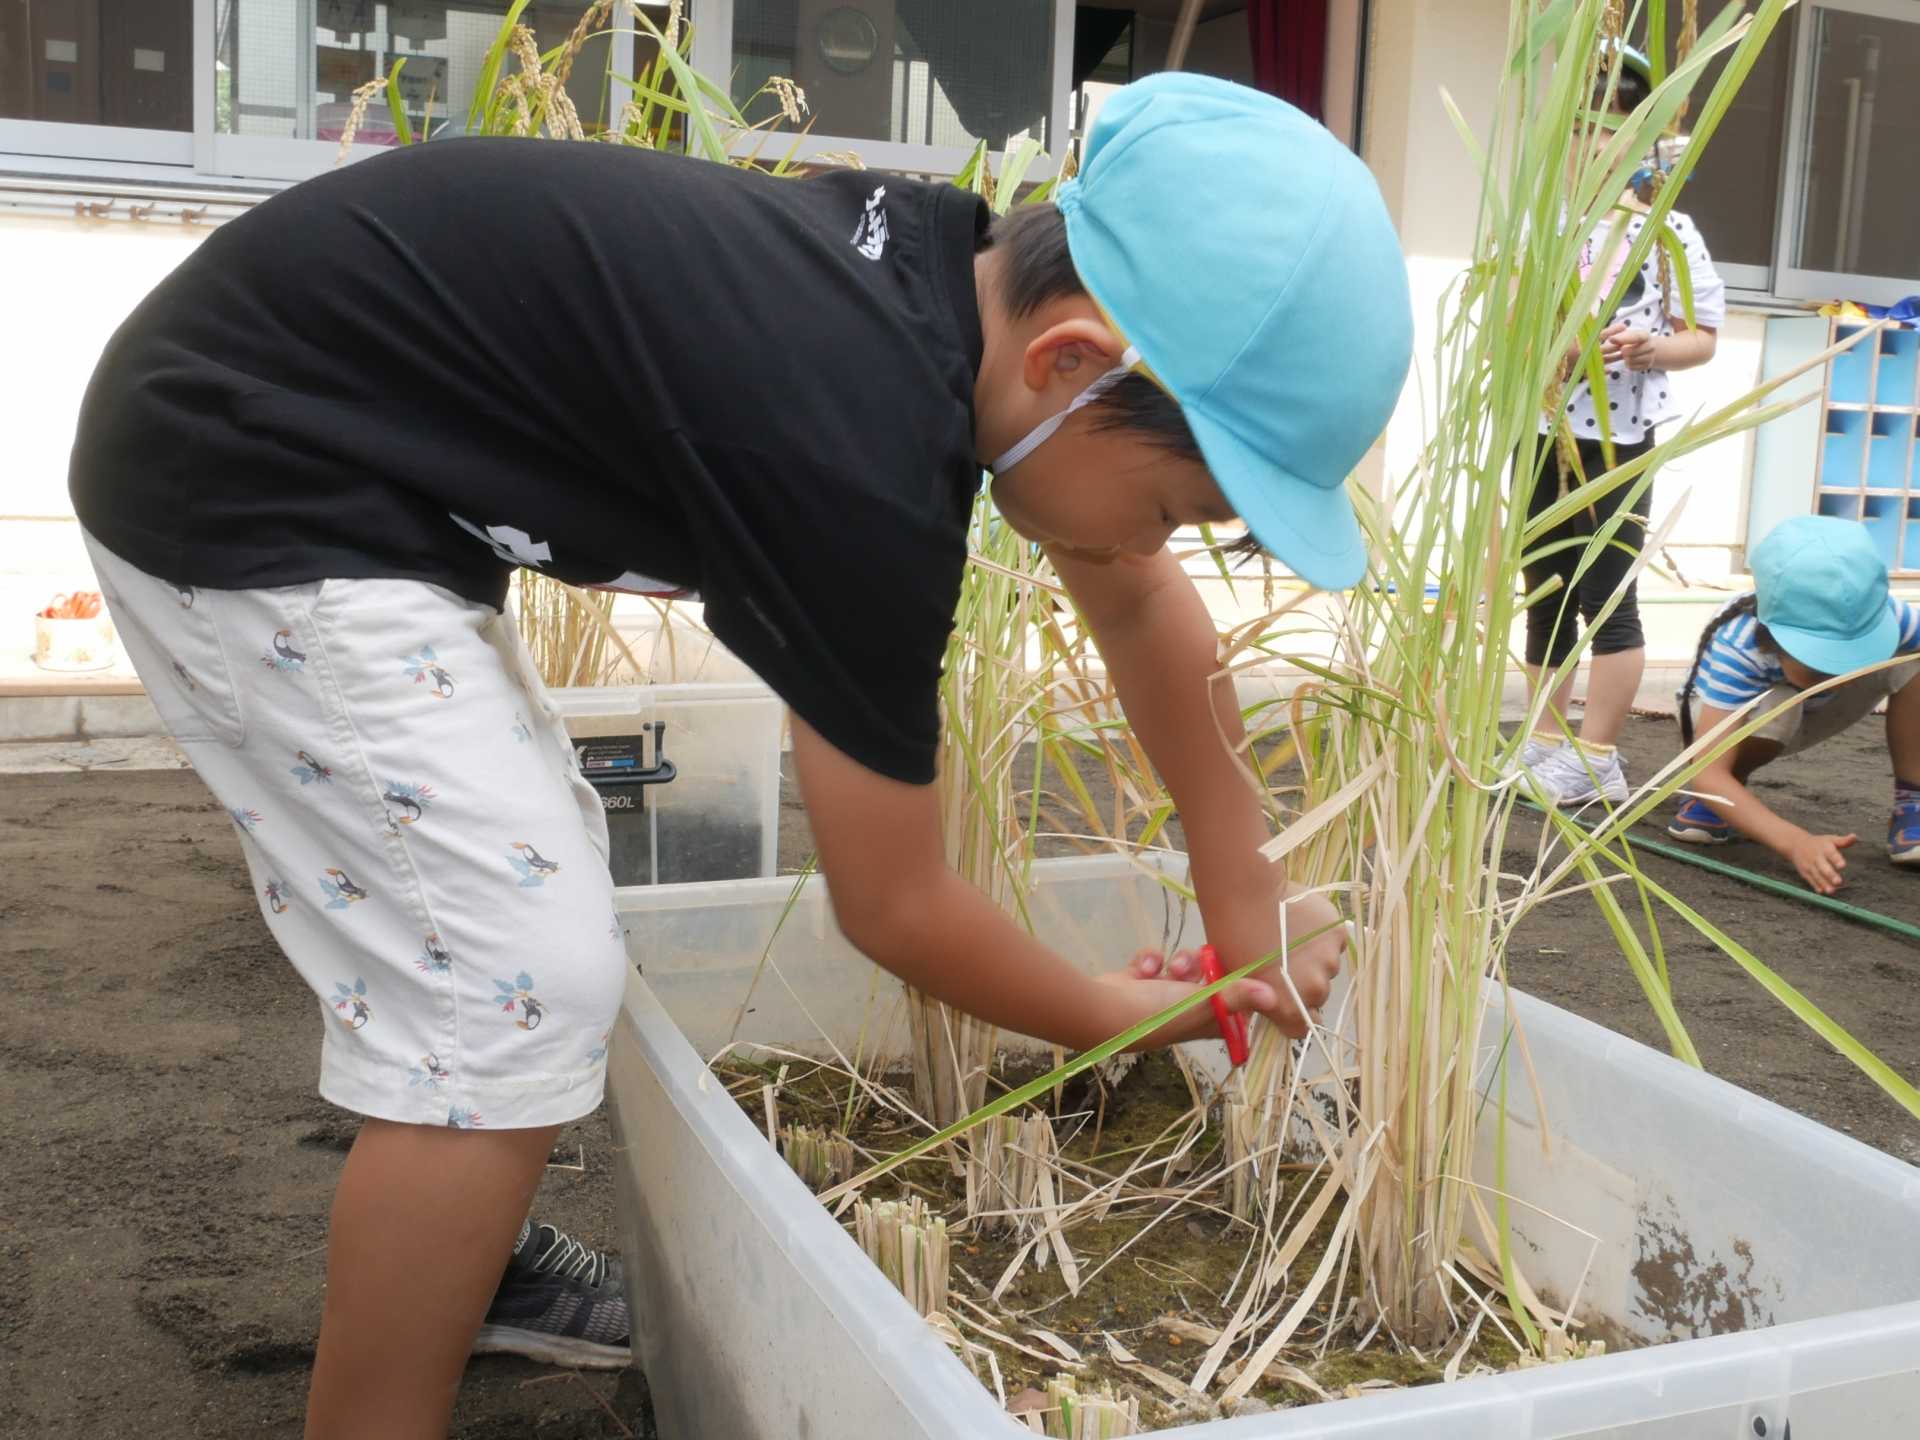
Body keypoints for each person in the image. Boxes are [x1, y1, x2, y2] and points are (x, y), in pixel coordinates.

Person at [67, 73, 1411, 1440]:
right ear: (1073, 364)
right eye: (1181, 506)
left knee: (527, 884)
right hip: (241, 474)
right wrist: (1134, 1016)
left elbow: (1127, 590)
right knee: (509, 978)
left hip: (334, 449)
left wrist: (1246, 892)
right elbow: (894, 908)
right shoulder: (855, 449)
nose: (1160, 546)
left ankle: (469, 1265)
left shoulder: (950, 287)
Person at [1517, 45, 1724, 806]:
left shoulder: (1670, 231)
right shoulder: (1544, 224)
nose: (1597, 140)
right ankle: (1543, 742)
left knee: (1606, 595)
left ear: (1645, 136)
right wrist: (1546, 349)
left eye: (1615, 123)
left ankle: (1597, 753)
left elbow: (1701, 338)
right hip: (1540, 435)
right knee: (1544, 588)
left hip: (1620, 437)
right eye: (1584, 123)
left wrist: (1649, 348)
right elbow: (1508, 320)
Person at [1668, 515, 1919, 893]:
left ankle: (1912, 800)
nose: (1840, 671)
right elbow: (1707, 770)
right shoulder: (1739, 645)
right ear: (1774, 635)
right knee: (1772, 711)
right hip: (1726, 727)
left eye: (1854, 654)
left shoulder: (1892, 618)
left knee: (1913, 660)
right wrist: (1795, 842)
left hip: (1816, 711)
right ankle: (1719, 800)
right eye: (1821, 661)